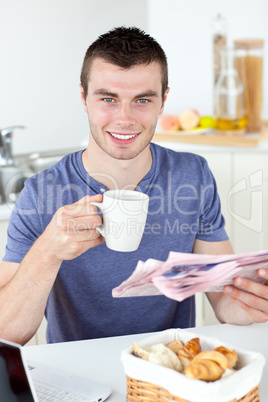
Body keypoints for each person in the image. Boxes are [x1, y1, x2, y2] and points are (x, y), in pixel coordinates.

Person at [0, 27, 268, 345]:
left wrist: (253, 301)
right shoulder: (41, 192)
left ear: (163, 101)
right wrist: (48, 252)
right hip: (79, 377)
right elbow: (7, 333)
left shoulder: (193, 175)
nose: (125, 118)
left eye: (142, 99)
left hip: (170, 369)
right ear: (84, 98)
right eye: (108, 99)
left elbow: (224, 302)